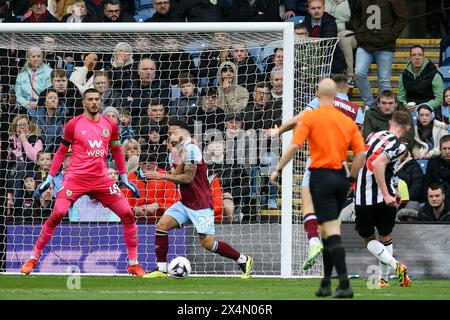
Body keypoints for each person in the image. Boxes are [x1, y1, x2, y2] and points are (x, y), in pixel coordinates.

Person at [19, 88, 146, 277]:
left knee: (127, 214)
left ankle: (133, 264)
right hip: (75, 178)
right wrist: (50, 176)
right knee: (59, 213)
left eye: (97, 99)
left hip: (101, 179)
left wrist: (124, 175)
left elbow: (118, 151)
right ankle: (32, 259)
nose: (94, 102)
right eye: (90, 99)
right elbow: (62, 152)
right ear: (83, 102)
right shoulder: (73, 124)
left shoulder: (110, 124)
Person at [270, 78, 366, 298]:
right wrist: (351, 179)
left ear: (317, 93)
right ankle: (328, 283)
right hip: (342, 175)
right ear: (338, 95)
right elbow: (360, 153)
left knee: (318, 220)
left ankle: (340, 282)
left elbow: (294, 145)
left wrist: (278, 169)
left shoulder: (312, 116)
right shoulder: (350, 118)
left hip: (320, 174)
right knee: (331, 231)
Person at [143, 127, 254, 279]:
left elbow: (187, 179)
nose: (172, 137)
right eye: (170, 135)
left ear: (184, 136)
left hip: (201, 204)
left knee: (208, 244)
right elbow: (175, 175)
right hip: (185, 203)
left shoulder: (193, 149)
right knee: (161, 226)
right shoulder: (175, 155)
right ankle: (161, 269)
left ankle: (243, 259)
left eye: (175, 133)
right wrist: (177, 156)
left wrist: (161, 176)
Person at [355, 110, 413, 289]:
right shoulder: (400, 146)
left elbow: (375, 163)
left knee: (367, 238)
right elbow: (384, 167)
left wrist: (388, 193)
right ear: (408, 127)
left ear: (390, 122)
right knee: (385, 237)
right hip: (385, 197)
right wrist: (390, 192)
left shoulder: (374, 135)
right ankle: (384, 279)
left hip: (366, 197)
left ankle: (395, 266)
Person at [352, 0, 407, 108]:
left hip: (385, 45)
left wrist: (390, 36)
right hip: (365, 44)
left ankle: (385, 107)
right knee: (359, 73)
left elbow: (402, 18)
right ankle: (370, 105)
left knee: (384, 79)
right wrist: (360, 34)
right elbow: (355, 15)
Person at [124, 153, 181, 222]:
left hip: (161, 221)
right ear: (139, 164)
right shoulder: (131, 177)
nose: (148, 165)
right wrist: (133, 209)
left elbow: (174, 203)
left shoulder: (165, 176)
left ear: (156, 163)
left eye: (151, 162)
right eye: (144, 163)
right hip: (135, 221)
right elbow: (124, 201)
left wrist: (158, 206)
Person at [304, 0, 347, 74]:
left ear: (324, 8)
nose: (316, 11)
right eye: (313, 8)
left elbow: (329, 40)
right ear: (309, 10)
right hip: (311, 59)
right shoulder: (305, 21)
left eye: (319, 8)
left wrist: (313, 41)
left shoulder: (331, 21)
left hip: (331, 60)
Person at [398, 45, 444, 113]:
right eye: (414, 55)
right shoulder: (403, 76)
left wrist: (423, 107)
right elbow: (401, 98)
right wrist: (405, 106)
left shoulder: (435, 75)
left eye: (420, 55)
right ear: (410, 58)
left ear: (424, 57)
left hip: (430, 110)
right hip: (410, 111)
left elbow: (439, 99)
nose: (417, 58)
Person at [15, 47, 53, 114]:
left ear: (42, 58)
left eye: (38, 56)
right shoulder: (22, 75)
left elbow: (49, 92)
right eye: (33, 56)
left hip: (43, 107)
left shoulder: (49, 72)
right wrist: (26, 104)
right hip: (24, 107)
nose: (36, 59)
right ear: (28, 59)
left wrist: (37, 104)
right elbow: (18, 95)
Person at [424, 134, 450, 199]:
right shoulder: (432, 163)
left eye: (449, 148)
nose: (447, 152)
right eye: (444, 148)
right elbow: (427, 184)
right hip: (436, 197)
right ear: (440, 149)